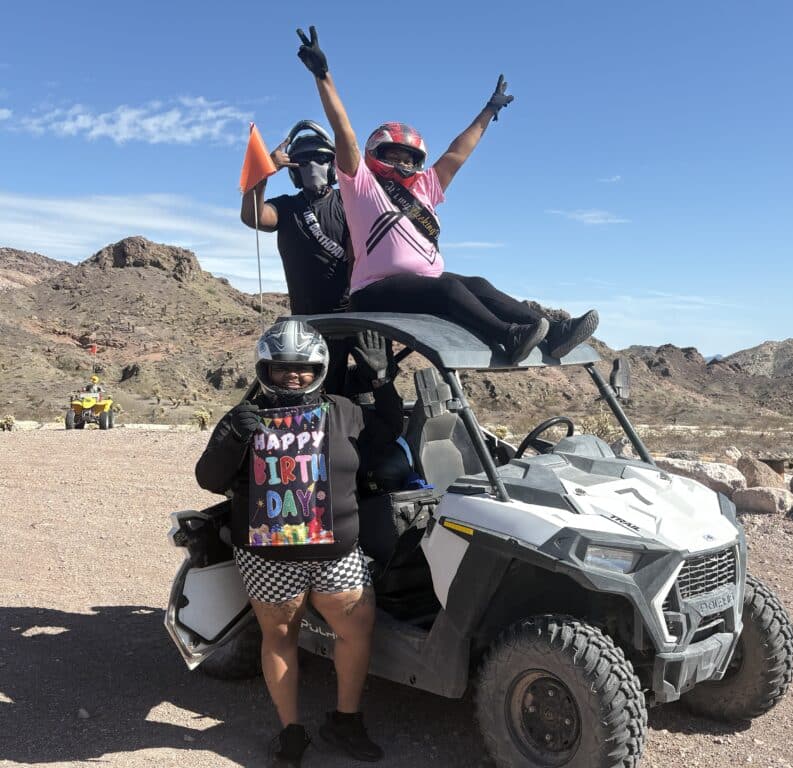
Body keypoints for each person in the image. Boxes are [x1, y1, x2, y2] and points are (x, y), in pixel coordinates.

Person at [295, 26, 599, 364]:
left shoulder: (425, 187)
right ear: (375, 154)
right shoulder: (361, 184)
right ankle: (508, 337)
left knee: (479, 285)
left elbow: (457, 154)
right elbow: (343, 130)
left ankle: (554, 332)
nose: (401, 163)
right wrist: (323, 75)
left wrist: (488, 112)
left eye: (408, 157)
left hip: (424, 282)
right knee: (450, 289)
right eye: (393, 154)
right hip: (374, 289)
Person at [195, 320, 402, 766]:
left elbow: (387, 430)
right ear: (264, 369)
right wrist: (232, 435)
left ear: (320, 368)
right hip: (270, 559)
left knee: (356, 630)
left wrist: (382, 379)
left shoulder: (344, 411)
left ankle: (346, 720)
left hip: (338, 553)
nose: (295, 375)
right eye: (282, 367)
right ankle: (291, 731)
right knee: (280, 636)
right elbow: (208, 478)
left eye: (305, 367)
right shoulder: (245, 417)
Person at [240, 120, 352, 316]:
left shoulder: (349, 201)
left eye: (320, 158)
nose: (312, 166)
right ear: (294, 171)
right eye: (303, 162)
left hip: (354, 314)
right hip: (307, 320)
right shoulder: (285, 207)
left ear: (332, 166)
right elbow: (252, 217)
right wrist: (264, 171)